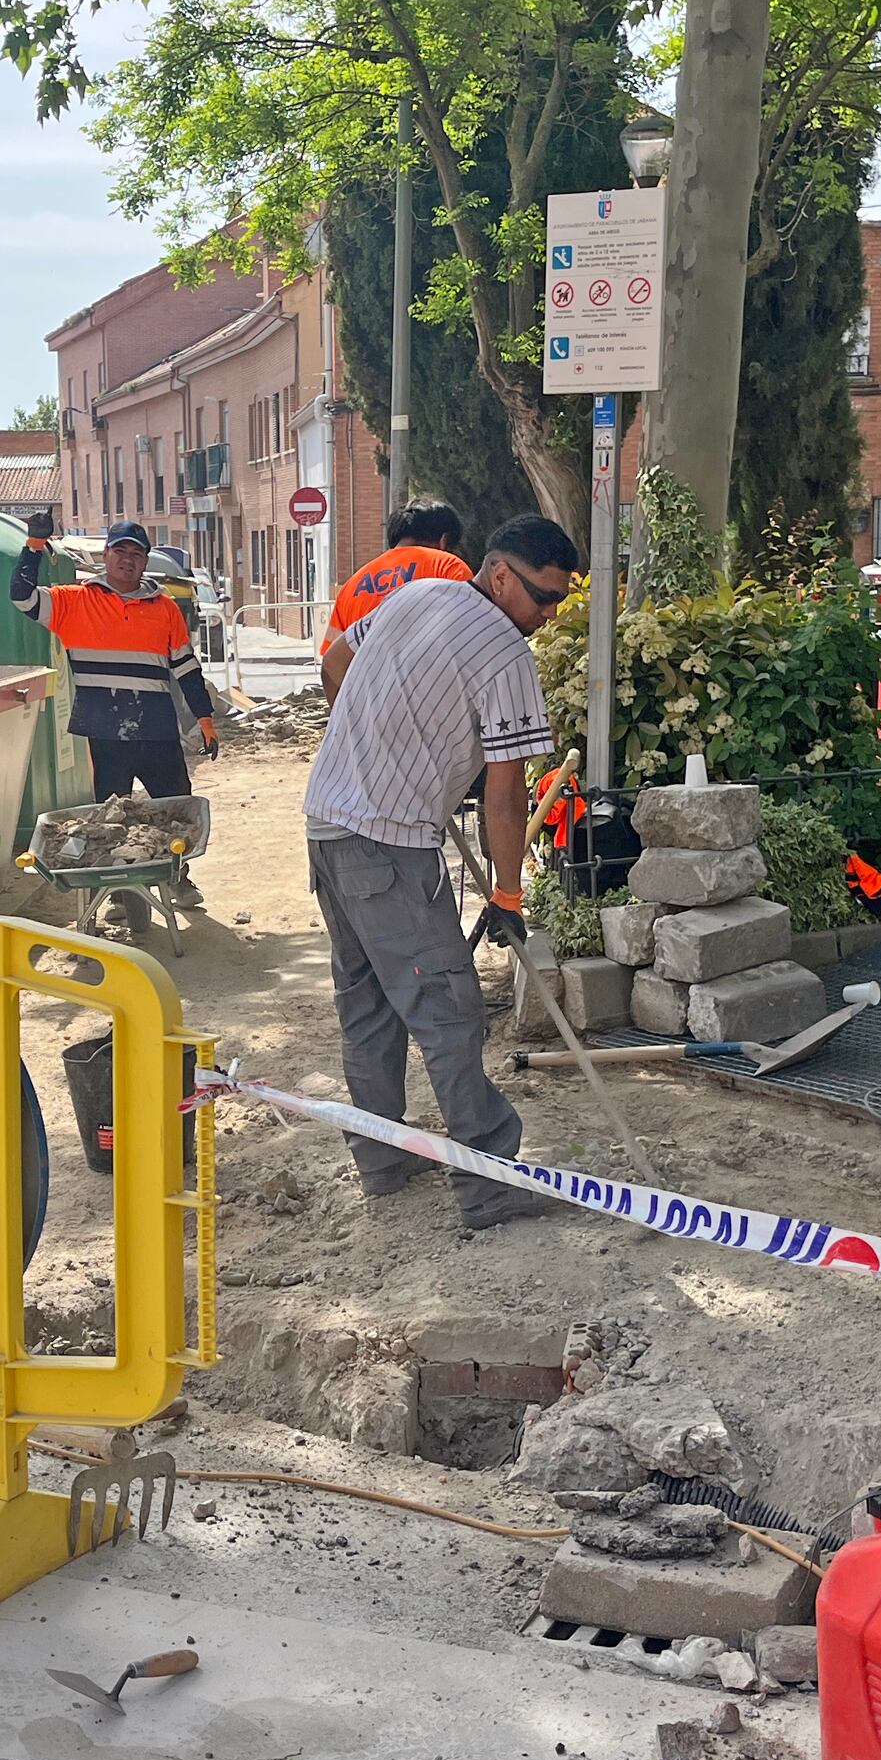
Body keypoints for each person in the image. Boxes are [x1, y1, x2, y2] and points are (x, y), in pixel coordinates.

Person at [305, 513, 578, 1229]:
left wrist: (367, 746)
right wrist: (511, 893)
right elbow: (506, 791)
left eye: (558, 602)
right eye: (541, 598)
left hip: (328, 824)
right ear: (497, 574)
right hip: (388, 842)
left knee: (368, 1006)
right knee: (450, 1007)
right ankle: (490, 1184)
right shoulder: (506, 655)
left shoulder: (416, 595)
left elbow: (334, 663)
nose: (547, 617)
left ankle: (384, 1159)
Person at [14, 513, 217, 801]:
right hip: (103, 734)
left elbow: (187, 669)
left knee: (178, 812)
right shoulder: (73, 602)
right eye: (120, 550)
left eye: (136, 553)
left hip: (157, 731)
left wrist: (205, 720)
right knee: (110, 822)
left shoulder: (165, 609)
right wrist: (35, 545)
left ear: (146, 561)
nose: (128, 559)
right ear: (106, 555)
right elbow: (23, 598)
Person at [320, 497, 467, 649]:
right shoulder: (448, 567)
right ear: (444, 540)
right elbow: (470, 635)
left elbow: (331, 660)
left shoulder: (351, 585)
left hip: (364, 671)